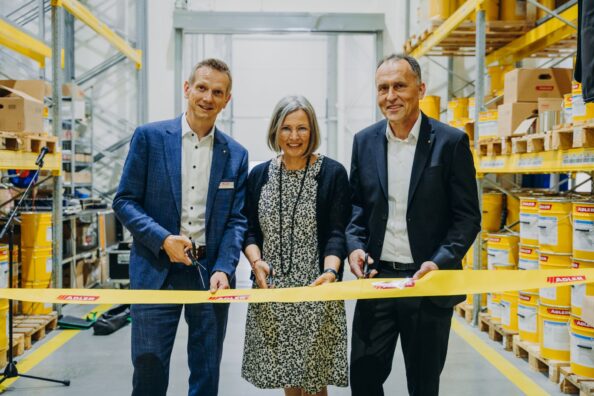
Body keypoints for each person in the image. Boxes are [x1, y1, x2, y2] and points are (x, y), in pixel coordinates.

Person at [346, 54, 481, 396]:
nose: (390, 95)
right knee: (363, 378)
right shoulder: (364, 141)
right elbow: (356, 208)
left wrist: (440, 260)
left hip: (428, 282)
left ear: (420, 89)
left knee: (423, 384)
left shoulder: (450, 142)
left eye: (399, 86)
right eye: (382, 88)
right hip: (378, 280)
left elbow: (467, 216)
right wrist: (355, 247)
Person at [112, 58, 248, 396]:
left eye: (217, 92)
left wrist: (225, 268)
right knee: (149, 367)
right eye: (201, 88)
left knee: (206, 371)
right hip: (156, 269)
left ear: (227, 99)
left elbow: (236, 221)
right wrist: (162, 240)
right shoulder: (149, 138)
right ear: (187, 88)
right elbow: (124, 201)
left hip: (209, 274)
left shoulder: (236, 155)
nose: (208, 97)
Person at [241, 95, 350, 396]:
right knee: (288, 375)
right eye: (286, 128)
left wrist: (330, 271)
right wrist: (255, 262)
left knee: (315, 381)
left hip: (317, 286)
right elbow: (249, 229)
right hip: (272, 286)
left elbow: (337, 232)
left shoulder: (332, 173)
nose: (294, 137)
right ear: (275, 130)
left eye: (302, 128)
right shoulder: (260, 175)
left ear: (312, 130)